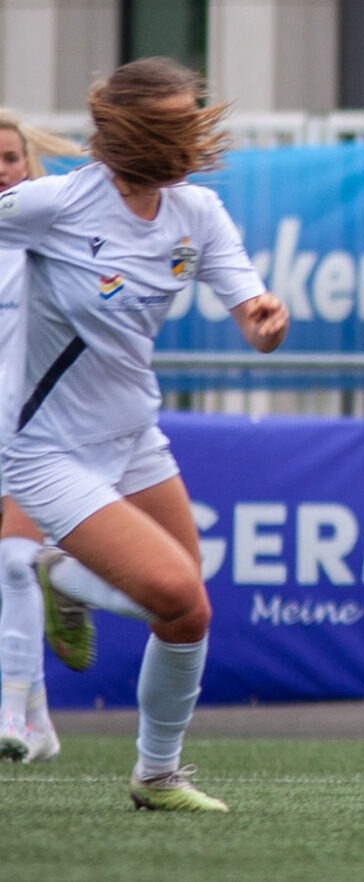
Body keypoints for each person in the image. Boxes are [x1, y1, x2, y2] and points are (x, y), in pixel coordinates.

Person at [0, 57, 290, 810]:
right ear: (133, 133)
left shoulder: (198, 213)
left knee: (189, 613)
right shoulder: (55, 203)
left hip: (134, 438)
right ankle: (58, 575)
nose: (195, 137)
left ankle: (157, 775)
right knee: (174, 588)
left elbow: (252, 311)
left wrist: (266, 320)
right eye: (178, 124)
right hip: (46, 452)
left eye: (195, 120)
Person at [0, 110, 84, 763]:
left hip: (36, 428)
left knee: (15, 562)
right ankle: (39, 720)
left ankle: (11, 716)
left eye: (10, 157)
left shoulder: (46, 236)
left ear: (29, 164)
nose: (2, 170)